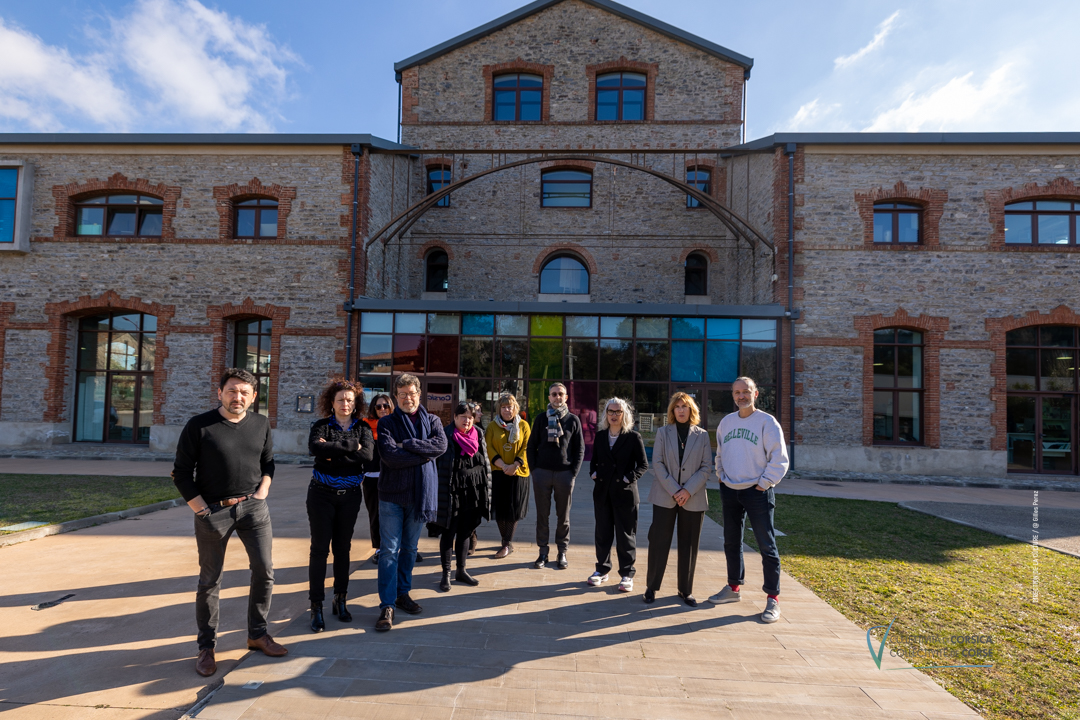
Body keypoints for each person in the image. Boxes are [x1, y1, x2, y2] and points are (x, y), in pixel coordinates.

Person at [172, 368, 286, 677]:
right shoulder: (199, 426)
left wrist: (263, 490)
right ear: (220, 392)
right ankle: (207, 647)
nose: (238, 397)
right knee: (210, 580)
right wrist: (200, 510)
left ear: (253, 397)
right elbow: (181, 472)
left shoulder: (261, 423)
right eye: (232, 391)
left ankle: (258, 634)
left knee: (265, 570)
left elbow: (269, 461)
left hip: (253, 509)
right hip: (213, 513)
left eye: (244, 392)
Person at [708, 376, 789, 624]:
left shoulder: (767, 422)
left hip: (757, 491)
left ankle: (773, 599)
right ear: (732, 395)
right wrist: (720, 475)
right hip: (730, 489)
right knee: (732, 541)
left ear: (755, 394)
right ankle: (733, 588)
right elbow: (720, 452)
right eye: (736, 392)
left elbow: (779, 459)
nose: (741, 396)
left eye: (746, 392)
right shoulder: (726, 422)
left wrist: (763, 484)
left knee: (767, 545)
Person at [374, 373, 447, 631]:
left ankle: (403, 594)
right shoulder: (387, 424)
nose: (408, 398)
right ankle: (387, 604)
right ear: (396, 397)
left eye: (412, 393)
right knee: (389, 551)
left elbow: (440, 446)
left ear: (419, 393)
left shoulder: (434, 421)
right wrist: (423, 454)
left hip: (419, 497)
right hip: (392, 497)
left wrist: (409, 444)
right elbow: (391, 457)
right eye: (402, 394)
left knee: (410, 550)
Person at [306, 378, 374, 632]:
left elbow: (366, 455)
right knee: (320, 550)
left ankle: (340, 599)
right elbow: (314, 448)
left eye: (349, 399)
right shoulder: (321, 426)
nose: (345, 403)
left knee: (343, 549)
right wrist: (349, 446)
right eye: (340, 399)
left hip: (350, 495)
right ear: (331, 403)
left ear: (355, 403)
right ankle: (316, 607)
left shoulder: (363, 427)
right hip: (321, 494)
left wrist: (332, 452)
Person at [644, 392, 713, 606]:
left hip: (693, 498)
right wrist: (675, 490)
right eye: (677, 406)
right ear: (672, 411)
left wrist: (687, 491)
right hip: (665, 495)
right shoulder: (663, 433)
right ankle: (651, 587)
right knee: (658, 543)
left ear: (692, 410)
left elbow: (706, 467)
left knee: (689, 545)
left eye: (685, 406)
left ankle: (686, 590)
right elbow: (657, 464)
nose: (681, 410)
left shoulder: (702, 436)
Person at [587, 397, 648, 592]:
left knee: (625, 536)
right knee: (602, 534)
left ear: (625, 414)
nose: (614, 415)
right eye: (611, 412)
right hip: (603, 493)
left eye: (618, 412)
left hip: (625, 494)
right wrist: (593, 473)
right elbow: (593, 461)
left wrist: (629, 477)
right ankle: (602, 570)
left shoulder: (633, 437)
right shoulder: (601, 436)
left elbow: (643, 465)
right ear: (606, 414)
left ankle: (627, 574)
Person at [526, 382, 584, 570]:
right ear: (549, 397)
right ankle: (543, 552)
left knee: (563, 516)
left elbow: (579, 449)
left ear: (566, 397)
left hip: (564, 475)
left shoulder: (573, 420)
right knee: (542, 515)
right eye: (554, 394)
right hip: (541, 474)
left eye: (561, 394)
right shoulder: (541, 419)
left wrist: (573, 472)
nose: (557, 397)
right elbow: (531, 445)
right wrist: (534, 470)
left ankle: (562, 552)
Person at [434, 402, 492, 591]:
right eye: (462, 417)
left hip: (473, 492)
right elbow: (439, 467)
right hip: (452, 492)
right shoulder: (446, 434)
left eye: (470, 416)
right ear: (455, 417)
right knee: (448, 533)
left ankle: (461, 570)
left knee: (466, 531)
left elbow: (485, 462)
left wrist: (486, 489)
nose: (466, 420)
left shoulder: (478, 433)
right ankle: (446, 574)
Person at [363, 395, 423, 563]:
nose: (382, 409)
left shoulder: (396, 425)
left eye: (385, 406)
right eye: (378, 407)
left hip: (395, 477)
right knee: (376, 515)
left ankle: (407, 548)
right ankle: (379, 548)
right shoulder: (366, 427)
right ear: (373, 409)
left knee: (403, 516)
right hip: (373, 478)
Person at [485, 393, 531, 558]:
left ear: (515, 408)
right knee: (500, 509)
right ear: (499, 408)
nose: (506, 409)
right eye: (503, 407)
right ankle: (505, 540)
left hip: (518, 473)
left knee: (512, 509)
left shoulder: (524, 426)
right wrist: (504, 465)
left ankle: (506, 544)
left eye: (509, 406)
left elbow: (527, 447)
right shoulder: (492, 427)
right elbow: (489, 448)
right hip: (499, 472)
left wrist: (515, 465)